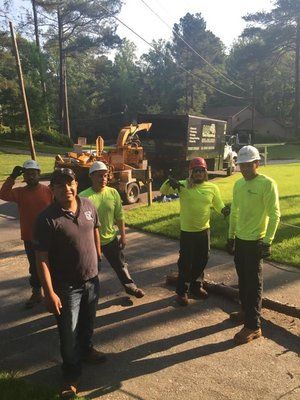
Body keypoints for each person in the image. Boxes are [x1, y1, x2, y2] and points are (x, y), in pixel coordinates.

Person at [33, 168, 106, 398]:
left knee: (88, 322)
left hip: (91, 280)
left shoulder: (88, 205)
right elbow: (41, 259)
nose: (67, 189)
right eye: (60, 185)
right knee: (68, 333)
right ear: (52, 190)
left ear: (76, 184)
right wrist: (49, 292)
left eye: (71, 183)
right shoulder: (46, 219)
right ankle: (71, 374)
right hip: (66, 288)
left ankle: (86, 350)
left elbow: (95, 229)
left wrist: (98, 254)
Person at [226, 145, 280, 345]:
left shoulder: (267, 184)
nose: (245, 169)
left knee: (254, 282)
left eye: (249, 165)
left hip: (256, 241)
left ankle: (254, 325)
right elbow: (235, 212)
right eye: (242, 165)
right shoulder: (238, 185)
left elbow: (275, 214)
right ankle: (246, 311)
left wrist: (268, 242)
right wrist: (231, 236)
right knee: (242, 278)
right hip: (240, 239)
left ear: (257, 163)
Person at [160, 157, 229, 306]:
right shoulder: (183, 185)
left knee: (202, 258)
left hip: (204, 230)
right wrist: (169, 182)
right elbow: (163, 191)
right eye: (195, 170)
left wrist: (224, 210)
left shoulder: (212, 188)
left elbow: (217, 204)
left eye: (201, 170)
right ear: (191, 172)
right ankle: (182, 292)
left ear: (205, 172)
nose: (198, 173)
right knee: (185, 262)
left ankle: (196, 287)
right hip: (187, 231)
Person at [79, 161, 145, 298]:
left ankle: (130, 287)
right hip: (90, 242)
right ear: (91, 176)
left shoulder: (113, 193)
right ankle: (89, 296)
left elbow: (119, 216)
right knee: (91, 271)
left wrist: (123, 235)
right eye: (99, 176)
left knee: (121, 265)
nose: (102, 178)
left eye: (105, 175)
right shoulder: (83, 197)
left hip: (110, 239)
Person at [0, 160, 52, 308]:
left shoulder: (48, 190)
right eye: (27, 174)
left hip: (49, 236)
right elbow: (2, 194)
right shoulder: (20, 192)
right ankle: (37, 294)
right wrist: (12, 177)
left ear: (38, 174)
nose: (30, 177)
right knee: (34, 267)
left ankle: (55, 293)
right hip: (30, 237)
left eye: (33, 173)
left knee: (54, 264)